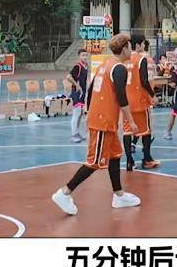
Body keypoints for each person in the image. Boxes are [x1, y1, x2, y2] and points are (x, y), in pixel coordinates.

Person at [51, 34, 142, 215]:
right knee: (94, 162)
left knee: (115, 155)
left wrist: (89, 110)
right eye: (130, 47)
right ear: (124, 48)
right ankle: (64, 193)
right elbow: (122, 98)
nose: (131, 50)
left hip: (102, 118)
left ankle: (119, 195)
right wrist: (131, 121)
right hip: (103, 121)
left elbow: (91, 89)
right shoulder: (119, 69)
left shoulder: (105, 65)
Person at [124, 34, 160, 171]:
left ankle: (129, 161)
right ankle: (146, 159)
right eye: (143, 44)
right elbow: (144, 81)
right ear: (138, 45)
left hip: (126, 102)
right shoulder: (141, 59)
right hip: (140, 101)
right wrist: (153, 95)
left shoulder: (123, 60)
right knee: (146, 131)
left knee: (127, 132)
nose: (144, 46)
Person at [66, 48, 89, 143]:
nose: (85, 57)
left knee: (80, 114)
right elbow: (68, 77)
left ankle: (77, 133)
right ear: (79, 56)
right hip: (76, 93)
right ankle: (73, 135)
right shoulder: (77, 66)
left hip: (82, 94)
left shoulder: (86, 66)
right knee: (76, 114)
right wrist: (77, 85)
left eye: (86, 55)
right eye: (83, 55)